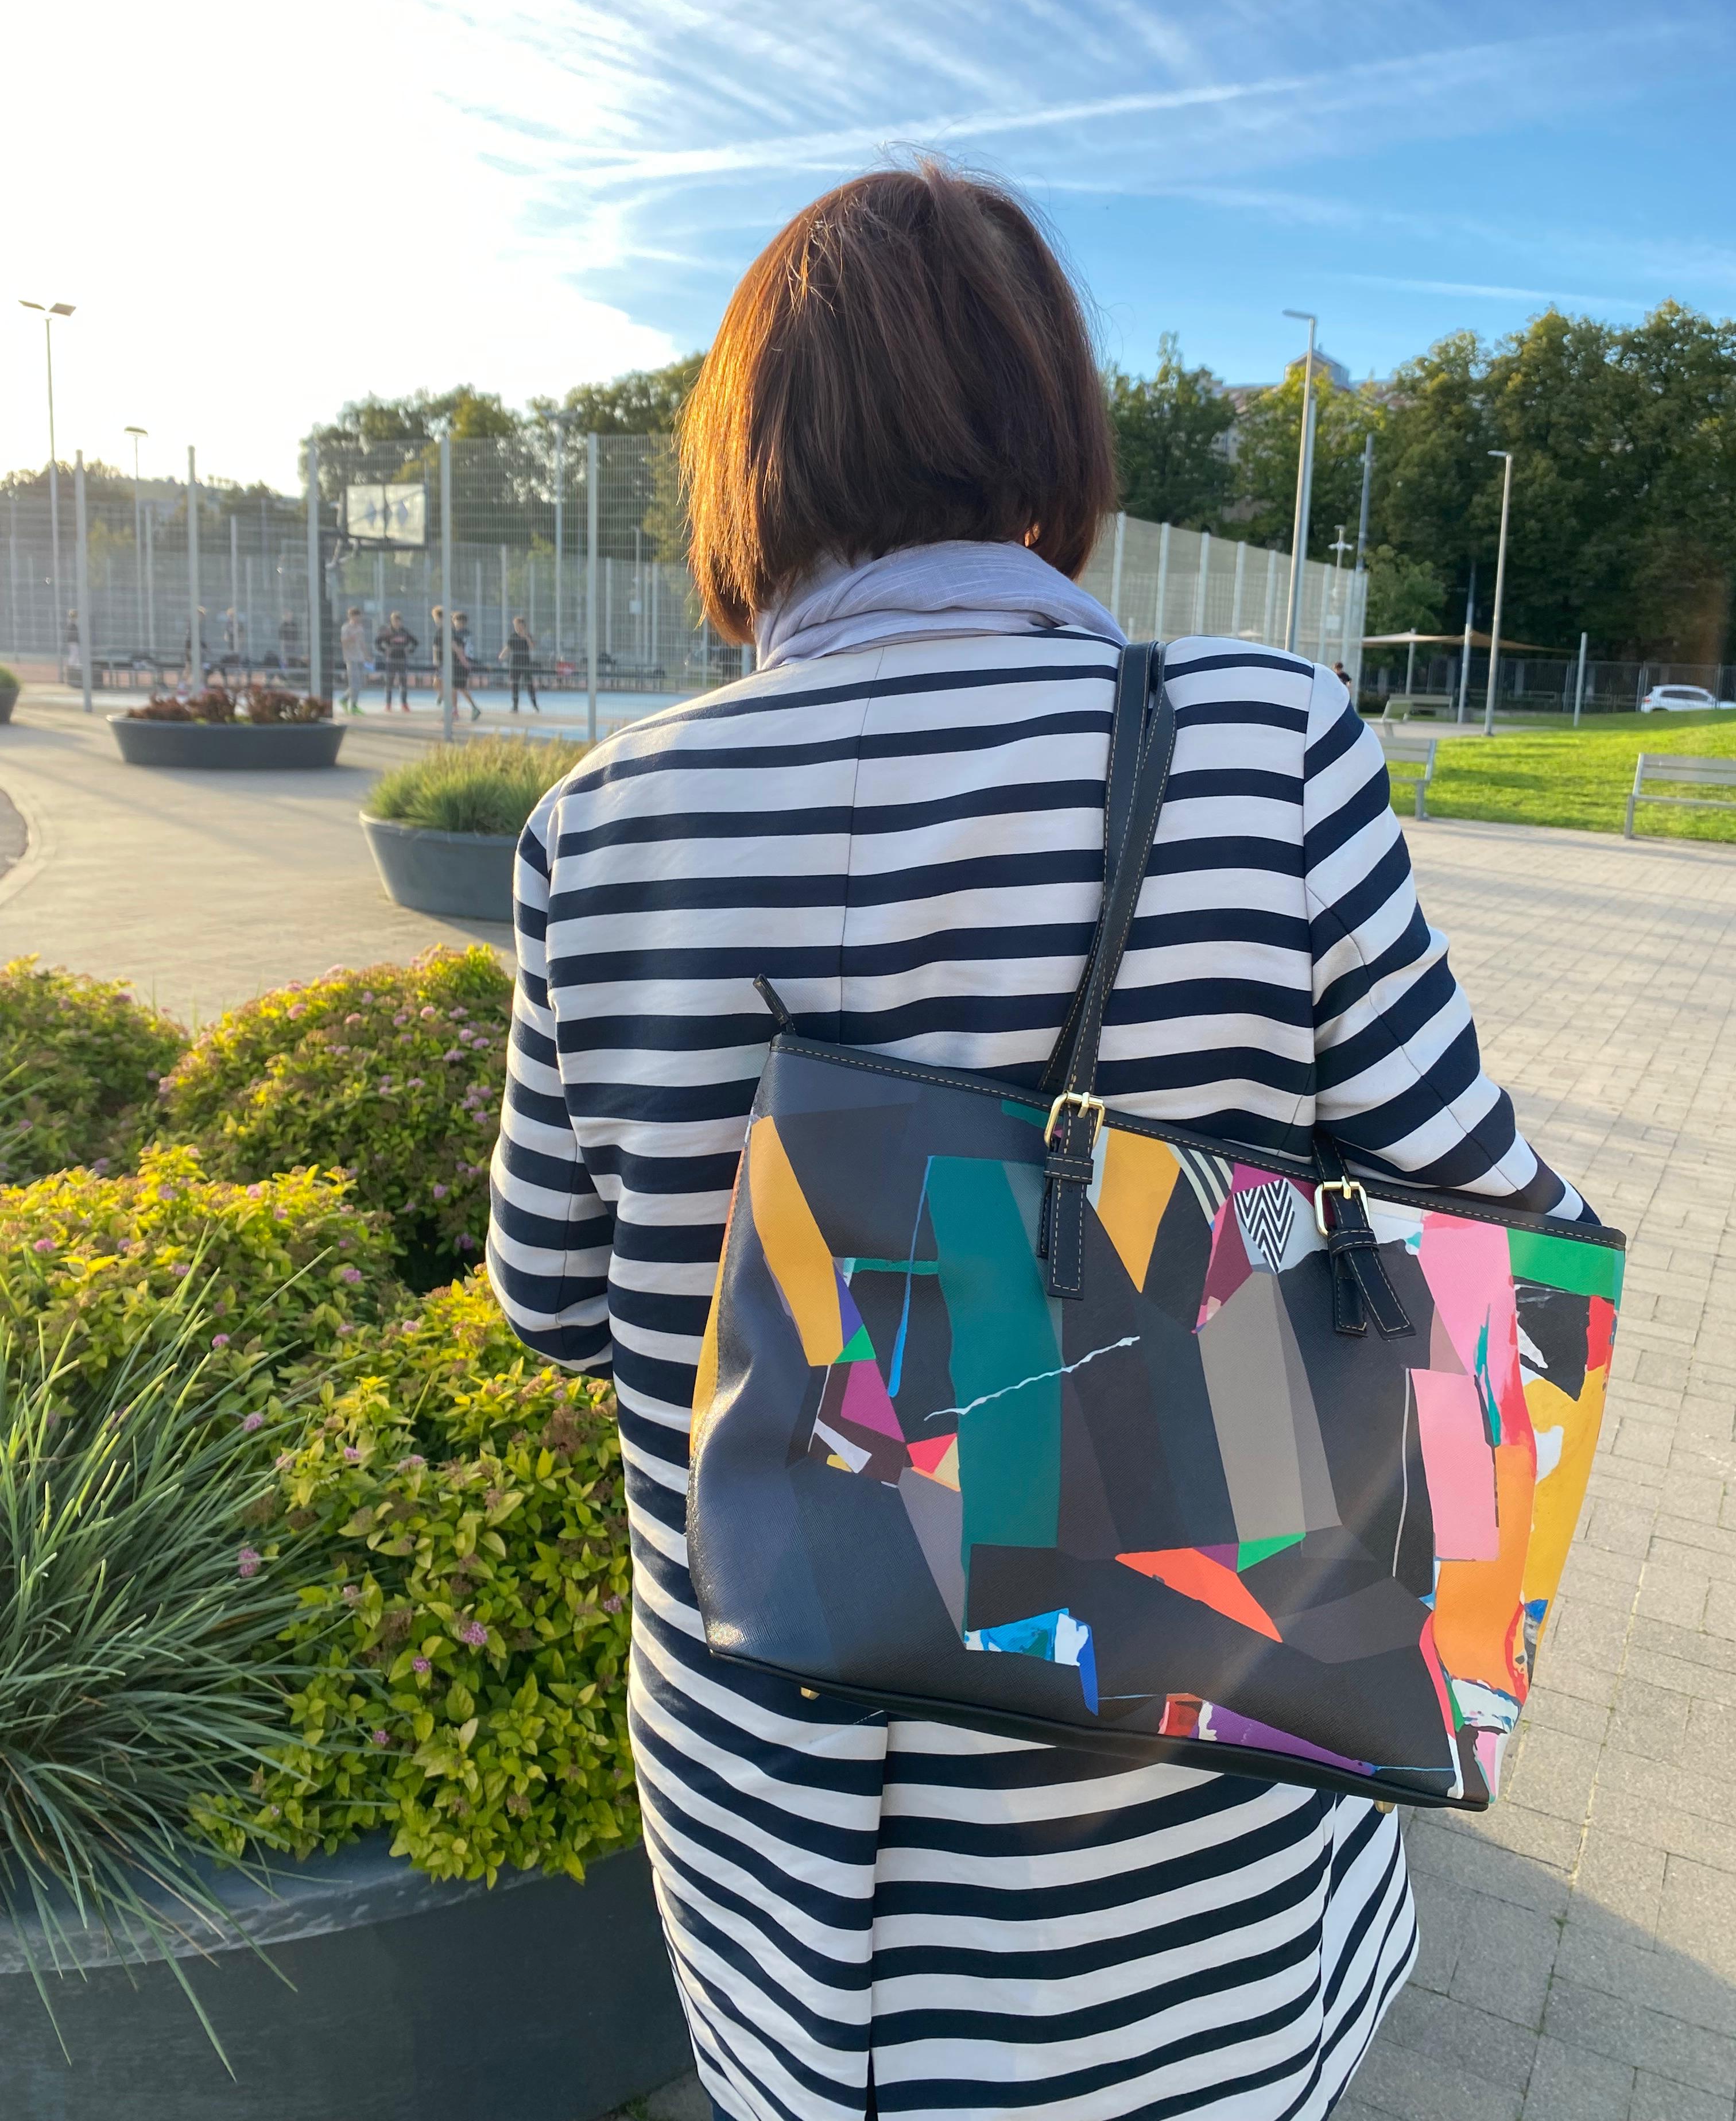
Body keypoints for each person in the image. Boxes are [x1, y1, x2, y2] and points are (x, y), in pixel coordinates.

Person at [485, 164, 1591, 2121]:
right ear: (1045, 431)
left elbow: (563, 1309)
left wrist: (882, 1325)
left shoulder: (596, 827)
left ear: (752, 455)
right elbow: (1497, 1255)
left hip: (782, 1872)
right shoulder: (1262, 746)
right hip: (1179, 1852)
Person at [375, 610, 416, 712]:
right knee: (389, 683)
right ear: (392, 621)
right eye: (395, 621)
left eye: (398, 621)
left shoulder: (405, 632)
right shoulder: (387, 632)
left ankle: (404, 704)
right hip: (391, 660)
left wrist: (409, 650)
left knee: (403, 683)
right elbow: (377, 643)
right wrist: (385, 650)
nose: (397, 623)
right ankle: (388, 705)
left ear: (401, 621)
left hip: (402, 660)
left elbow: (415, 642)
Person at [499, 614, 539, 712]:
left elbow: (533, 647)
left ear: (523, 626)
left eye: (518, 625)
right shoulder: (513, 636)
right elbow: (508, 647)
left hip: (526, 664)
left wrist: (526, 637)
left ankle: (535, 705)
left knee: (529, 684)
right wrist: (502, 655)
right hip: (514, 664)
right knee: (514, 685)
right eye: (515, 626)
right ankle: (515, 706)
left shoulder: (528, 636)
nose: (516, 627)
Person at [450, 611, 482, 720]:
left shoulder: (460, 634)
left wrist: (465, 662)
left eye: (456, 621)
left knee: (455, 687)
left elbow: (459, 650)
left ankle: (455, 711)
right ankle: (470, 708)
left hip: (462, 663)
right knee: (460, 688)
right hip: (463, 662)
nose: (455, 623)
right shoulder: (466, 633)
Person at [339, 606, 371, 714]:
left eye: (359, 617)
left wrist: (367, 656)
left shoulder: (360, 628)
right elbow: (343, 642)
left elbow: (362, 643)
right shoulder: (346, 628)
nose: (357, 619)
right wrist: (351, 639)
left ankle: (344, 699)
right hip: (351, 658)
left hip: (360, 658)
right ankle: (354, 706)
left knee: (359, 683)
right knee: (354, 683)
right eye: (355, 617)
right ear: (350, 617)